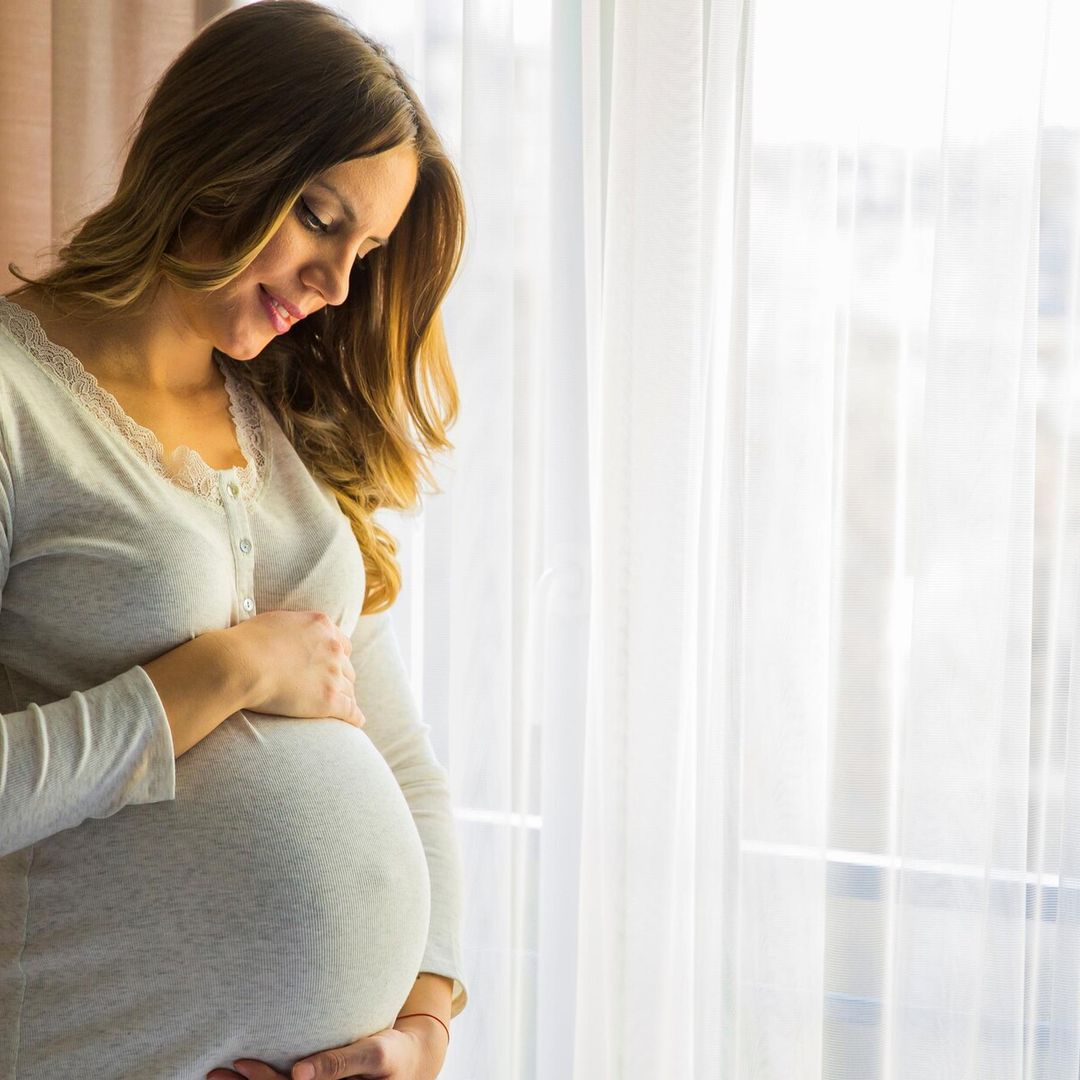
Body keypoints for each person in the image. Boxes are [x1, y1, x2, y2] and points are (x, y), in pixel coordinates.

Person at [0, 2, 469, 1078]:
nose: (338, 285)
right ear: (215, 154)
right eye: (317, 216)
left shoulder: (288, 436)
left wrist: (424, 1026)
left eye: (369, 250)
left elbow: (403, 767)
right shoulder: (18, 405)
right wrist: (217, 674)